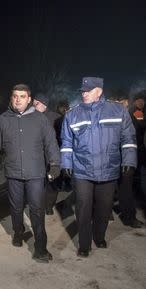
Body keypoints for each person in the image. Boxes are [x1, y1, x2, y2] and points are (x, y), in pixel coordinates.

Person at [60, 77, 137, 258]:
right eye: (83, 91)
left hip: (108, 169)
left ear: (99, 91)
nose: (84, 93)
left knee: (104, 206)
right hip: (82, 171)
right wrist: (66, 163)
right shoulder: (73, 114)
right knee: (83, 207)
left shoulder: (118, 110)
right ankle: (84, 244)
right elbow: (67, 141)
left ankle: (99, 236)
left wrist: (129, 161)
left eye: (88, 90)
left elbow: (128, 138)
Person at [0, 84, 60, 263]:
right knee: (16, 207)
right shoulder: (3, 119)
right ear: (11, 98)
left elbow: (51, 142)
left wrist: (55, 163)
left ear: (29, 99)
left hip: (35, 173)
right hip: (13, 173)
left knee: (37, 209)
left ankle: (40, 248)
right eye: (15, 96)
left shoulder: (40, 119)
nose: (18, 99)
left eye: (22, 96)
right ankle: (18, 233)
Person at [114, 96, 144, 228]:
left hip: (127, 156)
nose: (124, 104)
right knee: (117, 188)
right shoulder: (118, 116)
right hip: (115, 158)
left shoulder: (130, 115)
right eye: (121, 102)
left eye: (125, 102)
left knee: (125, 187)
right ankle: (125, 215)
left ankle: (128, 216)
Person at [33, 93, 62, 215]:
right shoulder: (31, 117)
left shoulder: (56, 117)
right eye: (33, 103)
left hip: (51, 154)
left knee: (52, 181)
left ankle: (49, 204)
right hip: (36, 155)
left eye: (36, 103)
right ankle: (38, 204)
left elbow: (62, 137)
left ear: (43, 104)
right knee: (38, 182)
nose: (33, 105)